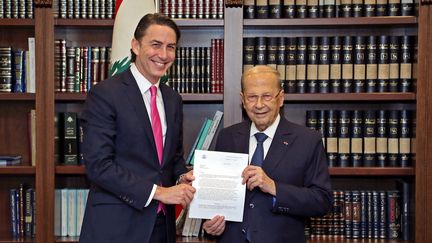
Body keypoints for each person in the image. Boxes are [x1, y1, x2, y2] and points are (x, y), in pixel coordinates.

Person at [79, 13, 195, 243]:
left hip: (162, 227)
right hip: (116, 227)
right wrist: (159, 192)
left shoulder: (173, 99)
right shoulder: (105, 94)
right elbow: (99, 165)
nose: (163, 55)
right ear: (135, 46)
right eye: (156, 45)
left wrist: (183, 177)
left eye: (170, 47)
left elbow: (172, 159)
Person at [202, 65, 332, 243]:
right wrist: (211, 225)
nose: (259, 105)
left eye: (267, 96)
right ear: (243, 100)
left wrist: (274, 187)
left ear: (281, 98)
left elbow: (321, 201)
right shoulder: (227, 136)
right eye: (252, 97)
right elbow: (216, 196)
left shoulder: (308, 140)